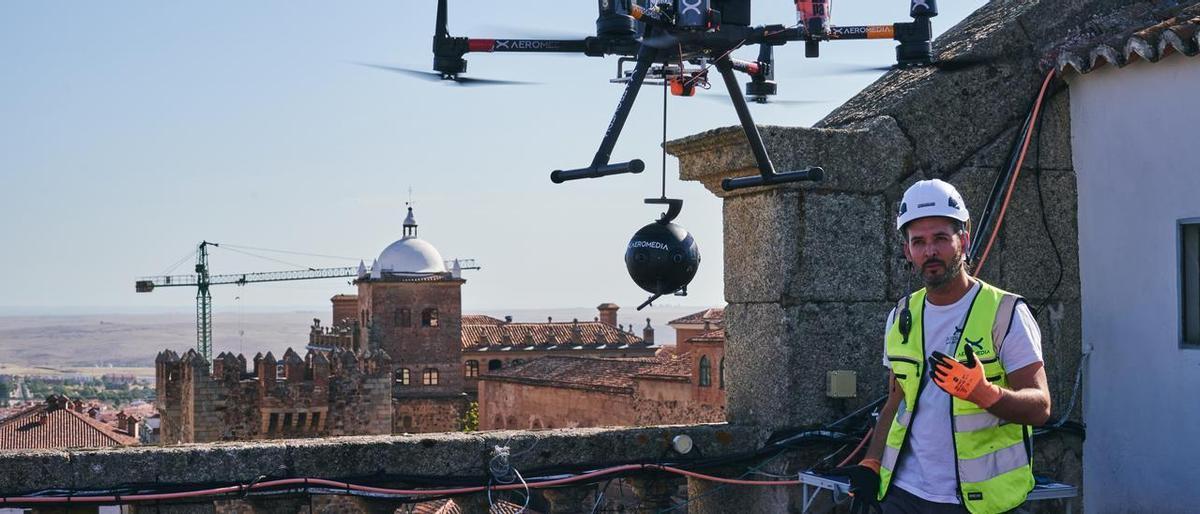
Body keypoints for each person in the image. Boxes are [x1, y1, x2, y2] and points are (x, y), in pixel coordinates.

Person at [836, 179, 1052, 514]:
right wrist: (872, 462)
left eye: (940, 238)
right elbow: (896, 401)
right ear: (907, 251)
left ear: (963, 240)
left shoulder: (1006, 313)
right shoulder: (900, 315)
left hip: (979, 502)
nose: (930, 251)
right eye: (918, 242)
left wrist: (985, 393)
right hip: (903, 496)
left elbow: (1040, 408)